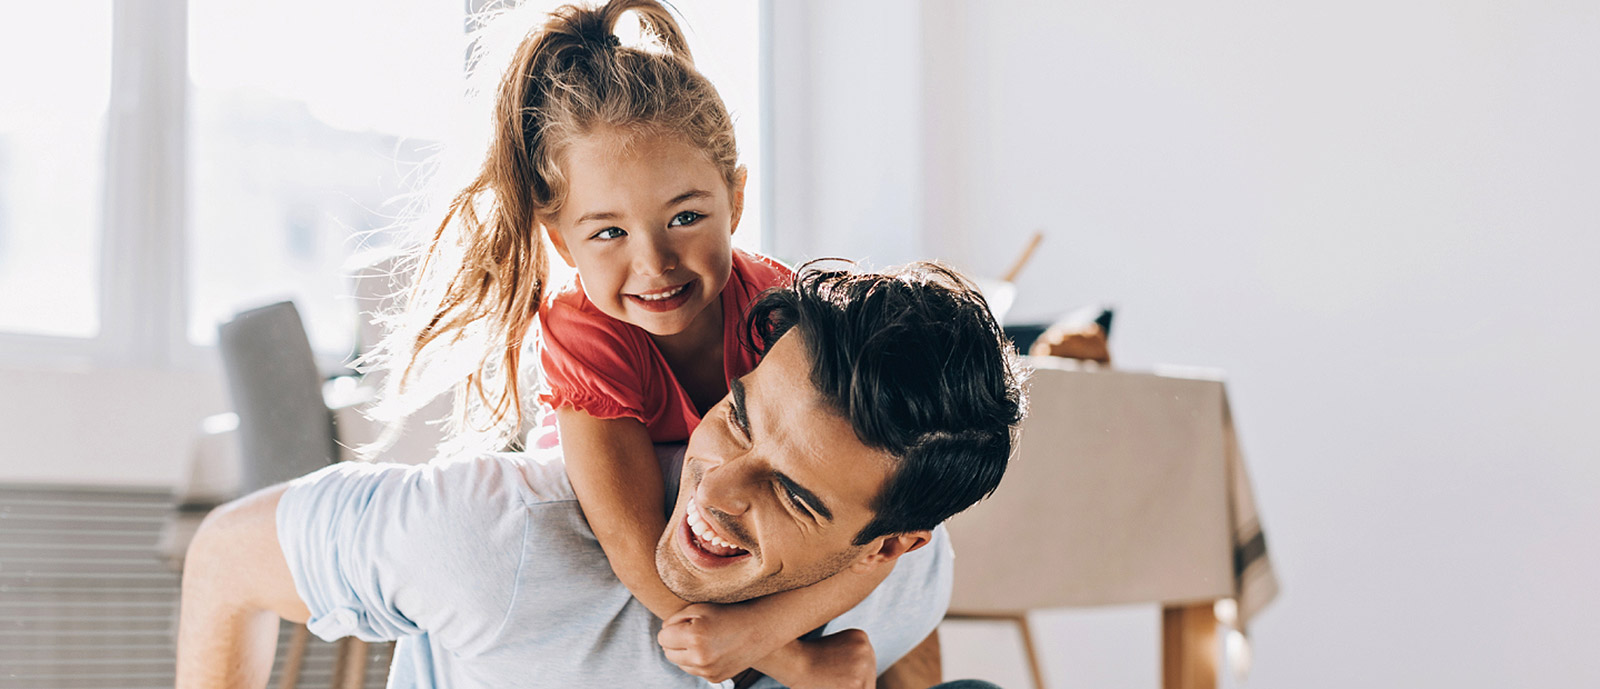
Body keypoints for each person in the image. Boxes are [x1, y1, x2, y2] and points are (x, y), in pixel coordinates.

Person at [176, 263, 1028, 688]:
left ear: (890, 541)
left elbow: (908, 631)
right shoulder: (496, 541)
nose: (720, 491)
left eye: (792, 494)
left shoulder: (911, 564)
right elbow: (223, 559)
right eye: (735, 417)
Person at [361, 0, 886, 680]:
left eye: (687, 216)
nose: (655, 263)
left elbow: (876, 518)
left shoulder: (781, 311)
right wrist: (789, 659)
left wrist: (771, 625)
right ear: (562, 240)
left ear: (737, 198)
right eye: (608, 232)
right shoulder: (583, 328)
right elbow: (633, 546)